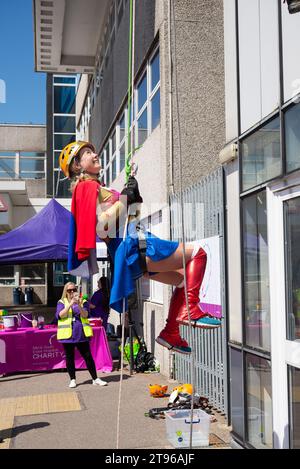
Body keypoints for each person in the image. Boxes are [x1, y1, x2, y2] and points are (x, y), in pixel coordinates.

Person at [59, 141, 221, 355]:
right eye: (88, 153)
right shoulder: (87, 187)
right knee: (198, 254)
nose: (95, 154)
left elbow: (127, 217)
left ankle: (171, 331)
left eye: (92, 150)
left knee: (183, 279)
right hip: (133, 245)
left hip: (131, 249)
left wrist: (131, 194)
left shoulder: (96, 188)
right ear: (78, 166)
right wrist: (125, 198)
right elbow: (101, 226)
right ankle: (190, 309)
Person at [56, 281, 108, 388]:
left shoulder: (83, 301)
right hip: (67, 335)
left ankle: (95, 378)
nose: (72, 292)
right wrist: (70, 304)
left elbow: (86, 314)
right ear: (65, 292)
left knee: (88, 356)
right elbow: (60, 315)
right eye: (69, 290)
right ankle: (72, 379)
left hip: (81, 333)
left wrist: (78, 305)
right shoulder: (61, 302)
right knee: (70, 358)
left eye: (74, 290)